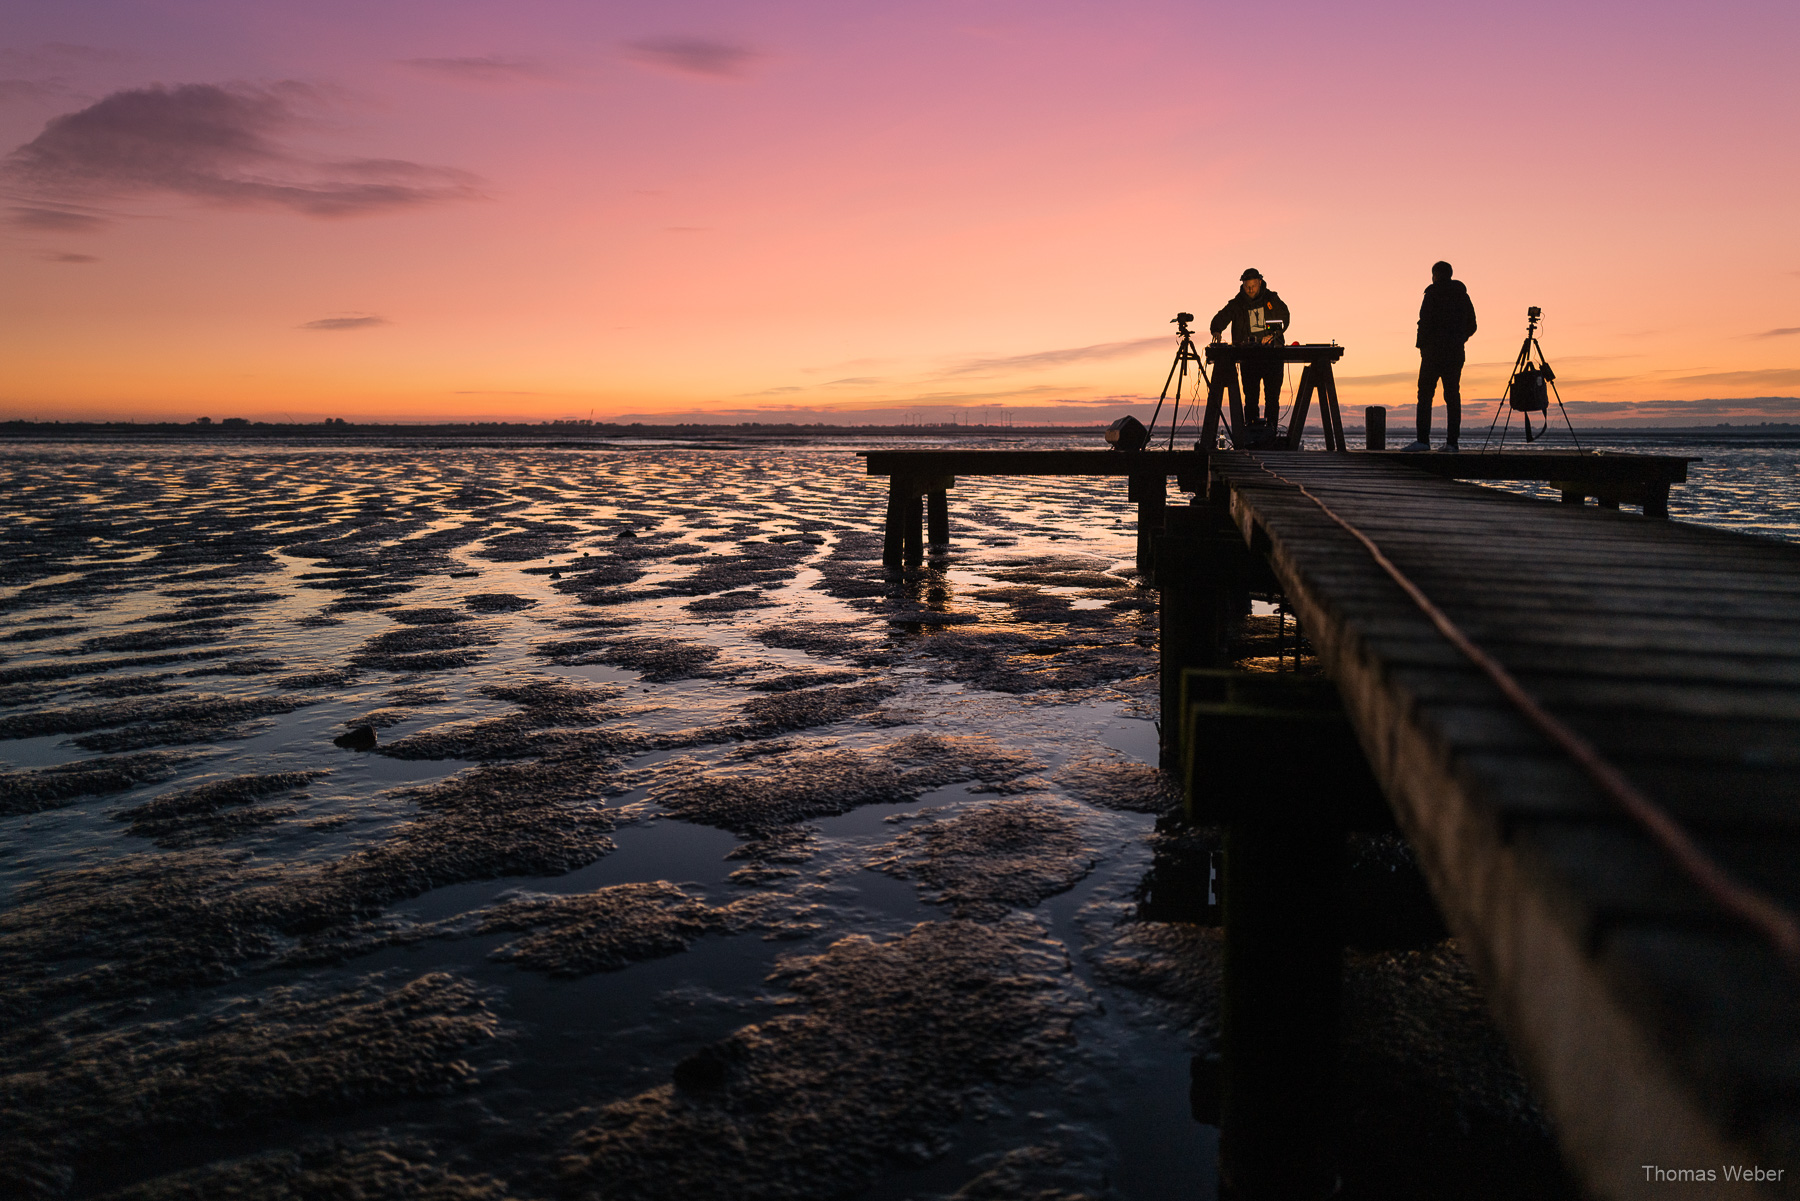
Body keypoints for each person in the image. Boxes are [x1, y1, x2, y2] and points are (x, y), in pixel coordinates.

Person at [1404, 260, 1477, 452]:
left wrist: (1423, 346)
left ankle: (1423, 441)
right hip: (1454, 353)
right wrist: (1460, 339)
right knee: (1452, 396)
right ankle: (1452, 443)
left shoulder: (1432, 293)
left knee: (1425, 395)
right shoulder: (1462, 296)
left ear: (1435, 275)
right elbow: (1473, 325)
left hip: (1433, 354)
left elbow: (1424, 322)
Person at [1210, 269, 1290, 427]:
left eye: (1253, 286)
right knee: (1250, 397)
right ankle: (1250, 430)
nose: (1251, 289)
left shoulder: (1272, 299)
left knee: (1272, 397)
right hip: (1248, 357)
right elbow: (1221, 317)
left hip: (1272, 355)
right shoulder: (1237, 303)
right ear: (1243, 285)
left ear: (1260, 283)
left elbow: (1285, 317)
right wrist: (1216, 330)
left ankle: (1271, 429)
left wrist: (1274, 334)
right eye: (1247, 287)